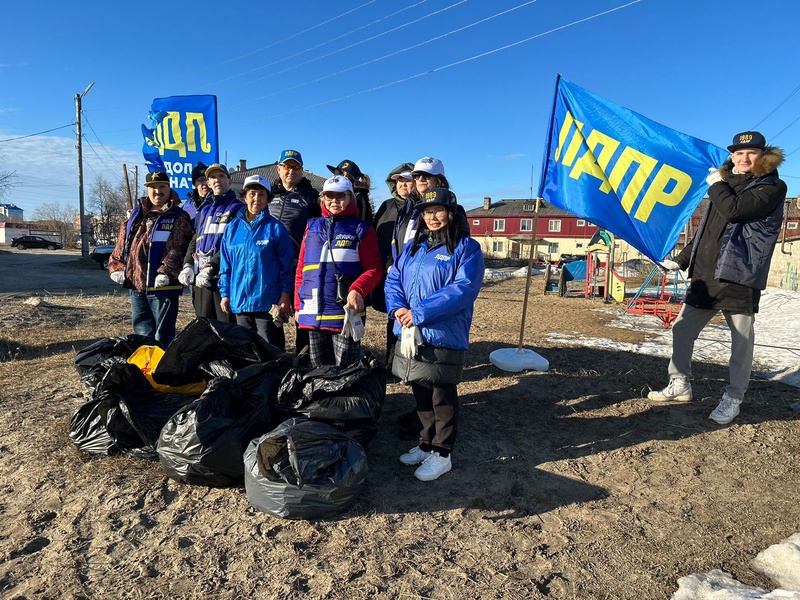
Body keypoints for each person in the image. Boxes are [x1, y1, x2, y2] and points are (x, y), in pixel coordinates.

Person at [649, 131, 786, 425]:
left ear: (763, 155)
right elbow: (707, 231)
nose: (745, 158)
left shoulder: (772, 186)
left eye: (751, 153)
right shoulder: (723, 186)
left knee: (741, 341)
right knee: (682, 329)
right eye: (738, 153)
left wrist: (716, 186)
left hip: (740, 275)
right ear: (732, 156)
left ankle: (733, 397)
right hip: (706, 275)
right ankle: (680, 384)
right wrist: (681, 259)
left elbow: (735, 211)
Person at [385, 187, 484, 481]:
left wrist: (420, 313)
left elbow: (462, 290)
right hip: (410, 331)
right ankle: (426, 443)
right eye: (427, 213)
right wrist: (398, 310)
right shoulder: (414, 247)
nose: (432, 217)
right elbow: (394, 280)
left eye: (438, 211)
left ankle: (443, 453)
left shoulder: (466, 249)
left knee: (442, 394)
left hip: (442, 332)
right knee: (420, 388)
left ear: (452, 213)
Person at [295, 175, 382, 368]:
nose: (334, 201)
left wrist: (358, 290)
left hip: (344, 314)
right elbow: (301, 270)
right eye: (329, 196)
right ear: (323, 198)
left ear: (351, 197)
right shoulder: (311, 226)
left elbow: (374, 268)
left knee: (347, 373)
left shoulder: (362, 229)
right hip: (311, 313)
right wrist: (297, 306)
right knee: (320, 374)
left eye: (340, 196)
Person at [108, 171, 193, 347]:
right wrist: (116, 267)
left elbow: (178, 248)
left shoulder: (178, 216)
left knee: (162, 334)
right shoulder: (136, 214)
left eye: (162, 186)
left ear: (169, 188)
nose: (158, 191)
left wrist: (166, 271)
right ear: (147, 189)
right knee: (142, 333)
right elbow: (123, 242)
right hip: (136, 286)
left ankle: (162, 371)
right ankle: (146, 367)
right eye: (153, 187)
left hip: (163, 287)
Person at [218, 175, 295, 348]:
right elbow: (226, 265)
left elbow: (286, 266)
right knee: (246, 351)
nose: (256, 199)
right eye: (252, 194)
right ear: (244, 196)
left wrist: (285, 294)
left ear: (268, 199)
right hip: (240, 302)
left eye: (262, 195)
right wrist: (225, 294)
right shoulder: (232, 228)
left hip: (267, 303)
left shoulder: (276, 228)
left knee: (269, 351)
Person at [269, 149, 321, 358]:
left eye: (296, 167)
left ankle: (303, 360)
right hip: (271, 265)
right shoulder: (268, 193)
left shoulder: (312, 196)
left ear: (302, 170)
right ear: (279, 169)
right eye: (287, 166)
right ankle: (275, 359)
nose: (291, 171)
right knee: (272, 315)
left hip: (300, 265)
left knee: (303, 315)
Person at [178, 163, 243, 322]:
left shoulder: (239, 209)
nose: (217, 180)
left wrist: (211, 266)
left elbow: (234, 245)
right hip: (202, 282)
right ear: (208, 183)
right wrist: (187, 264)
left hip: (224, 282)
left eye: (221, 176)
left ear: (230, 180)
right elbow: (195, 239)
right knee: (205, 330)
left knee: (227, 334)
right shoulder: (204, 210)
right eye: (213, 177)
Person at [372, 163, 415, 363]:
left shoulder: (421, 208)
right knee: (393, 315)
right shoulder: (387, 206)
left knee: (411, 314)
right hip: (388, 269)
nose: (404, 185)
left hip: (413, 271)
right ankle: (391, 359)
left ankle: (410, 358)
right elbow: (376, 235)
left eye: (408, 181)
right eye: (400, 181)